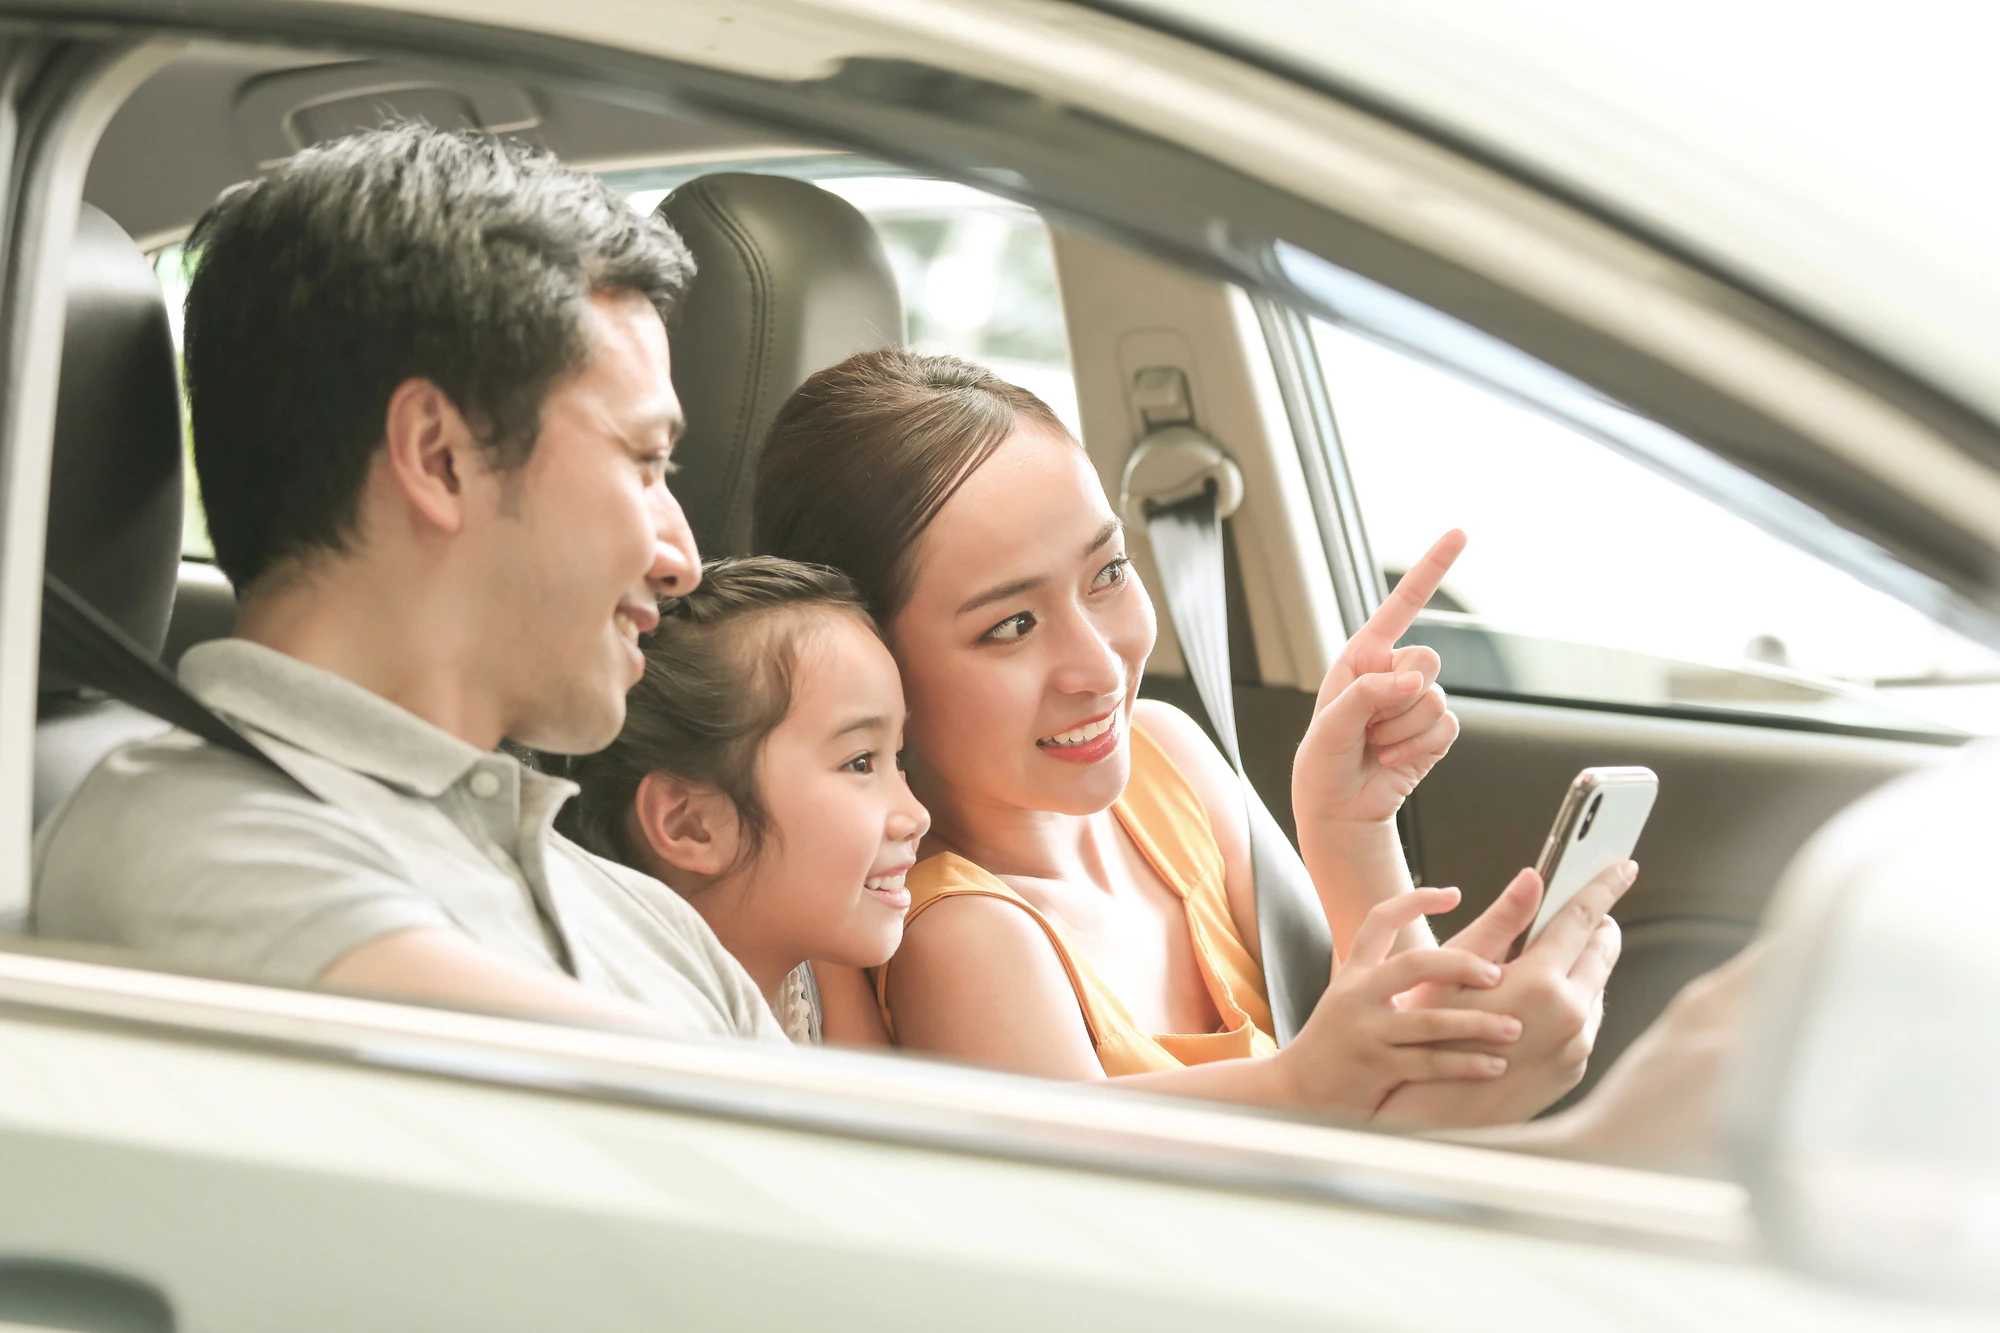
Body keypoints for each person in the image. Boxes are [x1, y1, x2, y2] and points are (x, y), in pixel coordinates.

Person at [33, 124, 782, 1042]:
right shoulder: (188, 847)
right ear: (440, 457)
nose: (683, 558)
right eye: (644, 461)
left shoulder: (652, 919)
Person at [755, 347, 1630, 1126]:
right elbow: (1116, 1228)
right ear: (877, 669)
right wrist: (1318, 1089)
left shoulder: (1167, 756)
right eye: (1013, 625)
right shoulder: (962, 933)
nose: (1098, 664)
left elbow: (1401, 1067)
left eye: (1108, 572)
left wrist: (1350, 826)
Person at [561, 557, 930, 1043]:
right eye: (860, 762)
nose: (917, 816)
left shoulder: (808, 972)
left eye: (896, 758)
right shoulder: (653, 1040)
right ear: (691, 823)